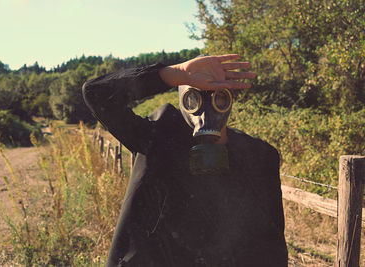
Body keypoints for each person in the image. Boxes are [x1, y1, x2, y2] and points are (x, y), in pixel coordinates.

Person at [82, 54, 288, 267]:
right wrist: (175, 74)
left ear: (230, 100)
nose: (207, 109)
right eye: (194, 98)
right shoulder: (157, 138)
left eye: (219, 97)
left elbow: (271, 243)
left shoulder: (258, 156)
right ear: (182, 100)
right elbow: (96, 93)